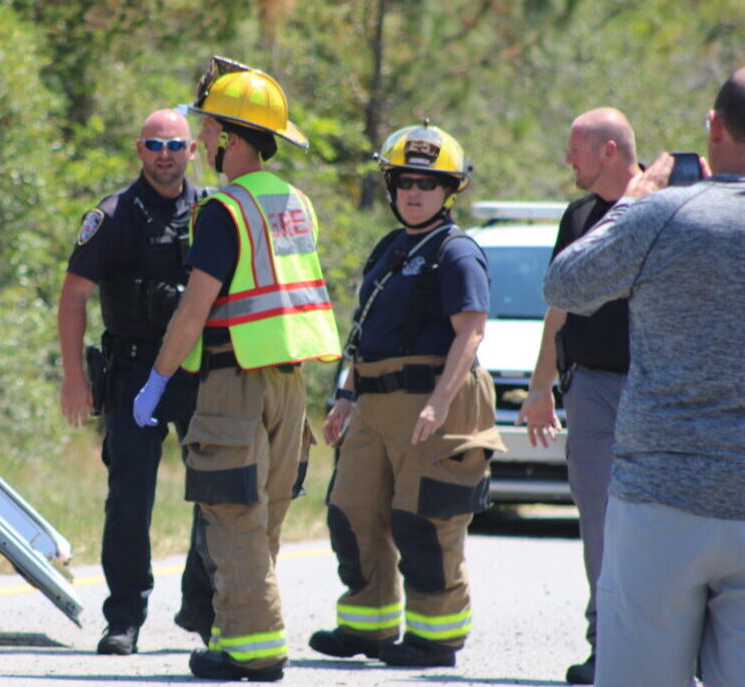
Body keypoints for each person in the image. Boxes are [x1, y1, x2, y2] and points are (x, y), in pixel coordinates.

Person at [131, 56, 341, 682]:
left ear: (230, 138)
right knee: (265, 517)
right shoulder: (294, 202)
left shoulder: (224, 210)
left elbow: (194, 311)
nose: (200, 142)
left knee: (233, 519)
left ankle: (253, 648)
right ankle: (235, 635)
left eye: (208, 130)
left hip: (234, 381)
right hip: (289, 385)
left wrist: (158, 380)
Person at [543, 68, 745, 687]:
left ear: (713, 128)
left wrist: (633, 200)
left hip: (659, 501)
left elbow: (566, 283)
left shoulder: (662, 213)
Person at [310, 122, 504, 668]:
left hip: (433, 401)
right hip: (373, 401)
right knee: (352, 512)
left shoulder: (457, 250)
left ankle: (434, 638)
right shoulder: (389, 247)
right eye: (404, 182)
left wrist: (440, 402)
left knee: (425, 523)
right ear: (392, 187)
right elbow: (365, 331)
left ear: (450, 190)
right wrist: (346, 398)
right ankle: (366, 626)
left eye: (428, 183)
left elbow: (470, 331)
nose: (414, 193)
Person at [57, 108, 212, 655]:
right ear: (139, 149)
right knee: (128, 501)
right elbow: (74, 296)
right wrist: (74, 378)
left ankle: (204, 609)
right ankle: (124, 619)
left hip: (197, 371)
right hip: (132, 371)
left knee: (216, 494)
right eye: (154, 144)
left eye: (175, 144)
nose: (164, 154)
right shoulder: (114, 215)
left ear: (193, 150)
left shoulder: (214, 212)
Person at [515, 107, 641, 685]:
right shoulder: (578, 215)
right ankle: (607, 645)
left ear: (610, 150)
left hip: (653, 394)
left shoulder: (660, 212)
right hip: (589, 389)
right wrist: (542, 387)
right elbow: (558, 305)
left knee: (660, 525)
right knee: (599, 526)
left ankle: (672, 649)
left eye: (576, 148)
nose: (567, 158)